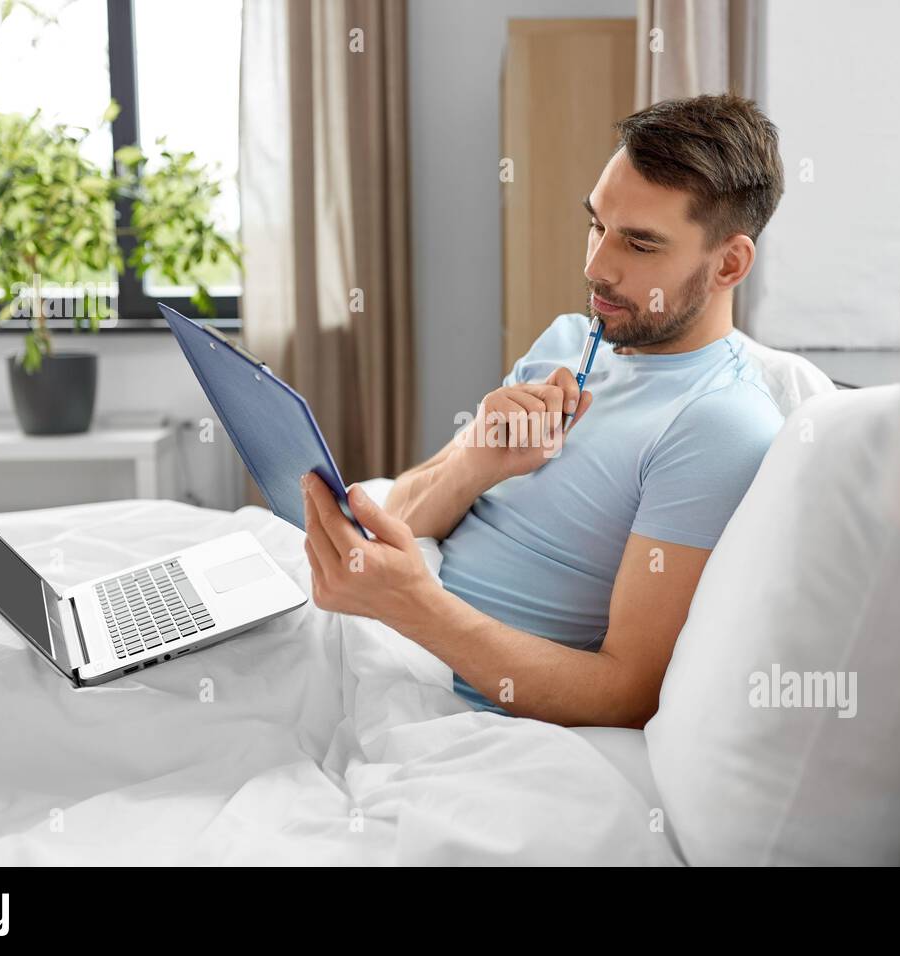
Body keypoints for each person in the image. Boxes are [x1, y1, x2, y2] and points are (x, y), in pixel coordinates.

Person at [302, 93, 785, 728]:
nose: (596, 267)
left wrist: (412, 608)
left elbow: (629, 694)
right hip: (380, 640)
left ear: (729, 262)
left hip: (447, 694)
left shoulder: (719, 425)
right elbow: (403, 512)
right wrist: (477, 464)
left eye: (640, 245)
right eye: (596, 226)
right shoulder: (571, 339)